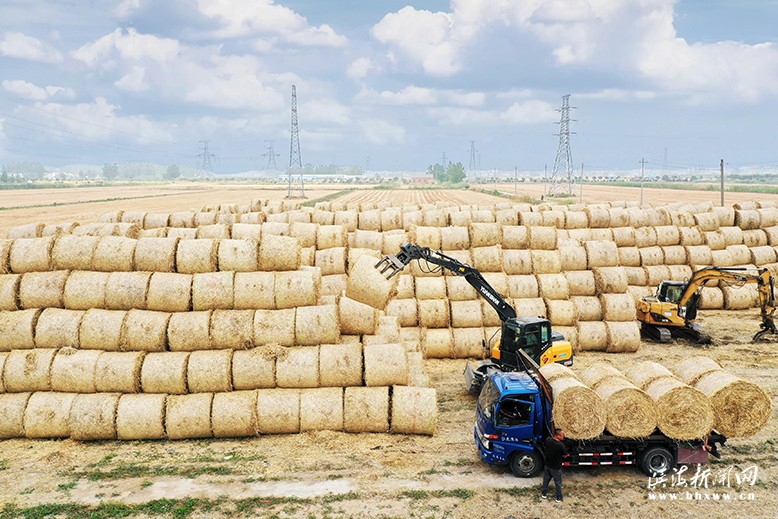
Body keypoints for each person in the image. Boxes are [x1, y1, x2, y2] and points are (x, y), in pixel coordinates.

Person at [541, 428, 568, 503]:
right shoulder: (560, 445)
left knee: (546, 480)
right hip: (556, 467)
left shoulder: (548, 440)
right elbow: (565, 455)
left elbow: (545, 446)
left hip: (547, 465)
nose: (564, 436)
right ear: (558, 435)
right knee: (558, 483)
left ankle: (544, 494)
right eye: (562, 435)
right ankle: (558, 498)